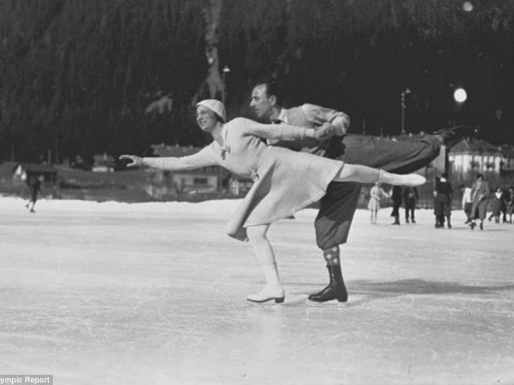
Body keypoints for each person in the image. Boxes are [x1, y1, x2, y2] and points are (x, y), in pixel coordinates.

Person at [120, 99, 426, 304]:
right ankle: (274, 286)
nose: (199, 117)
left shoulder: (238, 125)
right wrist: (144, 161)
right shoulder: (214, 151)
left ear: (217, 115)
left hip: (282, 163)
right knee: (254, 229)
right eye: (197, 114)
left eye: (205, 113)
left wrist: (310, 132)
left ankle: (395, 178)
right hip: (266, 184)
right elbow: (181, 162)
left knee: (339, 172)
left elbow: (276, 129)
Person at [249, 81, 475, 303]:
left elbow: (341, 117)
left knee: (400, 155)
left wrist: (333, 127)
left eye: (256, 98)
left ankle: (438, 139)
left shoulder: (305, 112)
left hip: (348, 151)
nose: (252, 103)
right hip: (331, 177)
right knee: (325, 228)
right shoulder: (271, 137)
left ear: (272, 100)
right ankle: (336, 285)